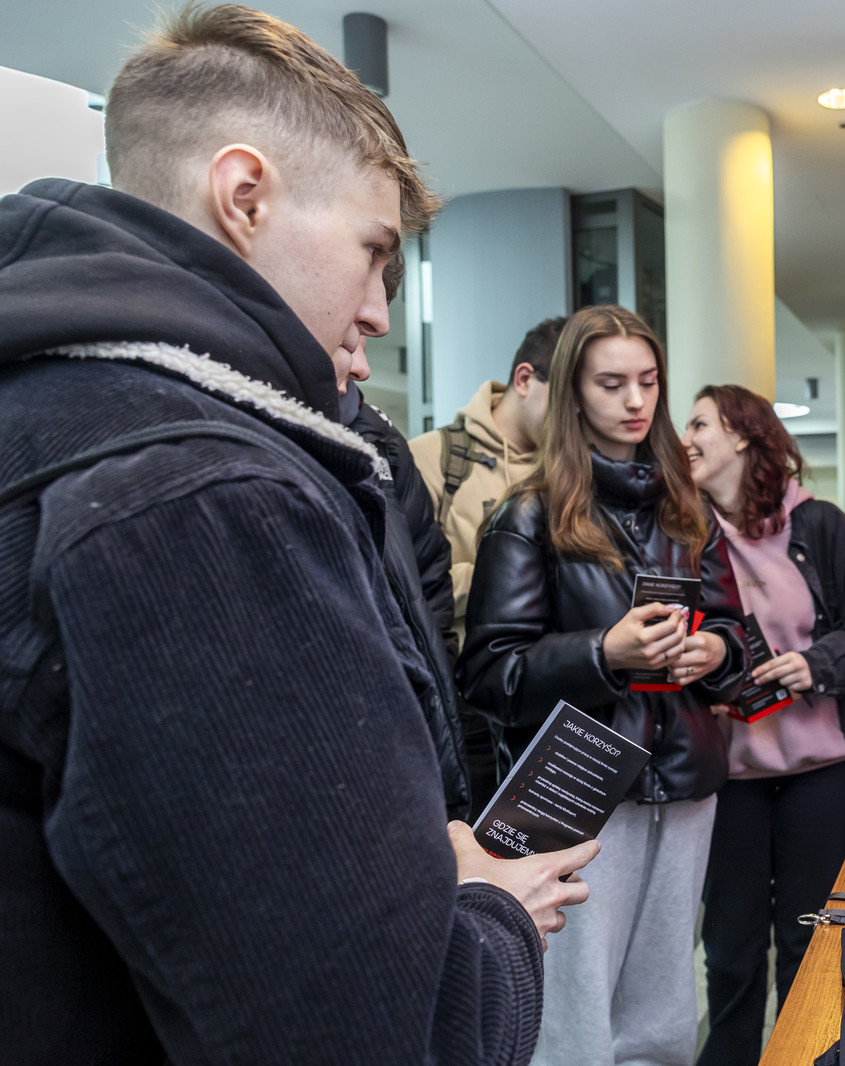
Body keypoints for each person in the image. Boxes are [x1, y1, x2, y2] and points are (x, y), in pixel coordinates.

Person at [0, 7, 596, 1064]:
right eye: (373, 252)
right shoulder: (206, 502)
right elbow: (383, 1032)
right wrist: (490, 914)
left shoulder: (54, 415)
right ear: (244, 196)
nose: (377, 313)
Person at [458, 305, 749, 1066]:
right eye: (611, 384)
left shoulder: (688, 510)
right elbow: (488, 675)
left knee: (663, 1010)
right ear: (573, 393)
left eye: (648, 381)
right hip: (580, 792)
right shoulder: (528, 515)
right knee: (573, 1016)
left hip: (684, 781)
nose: (635, 401)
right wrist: (603, 653)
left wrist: (713, 651)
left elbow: (738, 639)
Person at [682, 385, 845, 1066]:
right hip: (730, 779)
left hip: (820, 774)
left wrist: (816, 663)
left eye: (699, 424)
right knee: (731, 951)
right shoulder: (681, 535)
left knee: (810, 945)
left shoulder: (819, 526)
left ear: (742, 436)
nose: (684, 439)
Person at [411, 315, 564, 813]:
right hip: (465, 699)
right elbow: (405, 586)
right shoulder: (434, 458)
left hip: (550, 698)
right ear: (525, 379)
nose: (574, 418)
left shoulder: (571, 473)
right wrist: (504, 580)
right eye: (565, 400)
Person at [342, 363, 470, 822]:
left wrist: (436, 676)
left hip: (419, 729)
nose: (362, 361)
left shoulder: (382, 439)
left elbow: (430, 580)